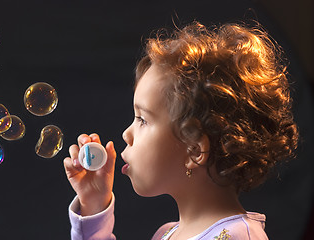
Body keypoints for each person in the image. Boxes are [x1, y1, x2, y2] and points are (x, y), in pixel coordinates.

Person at [63, 20, 298, 240]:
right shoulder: (167, 233)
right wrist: (94, 205)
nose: (127, 134)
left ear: (194, 149)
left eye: (142, 119)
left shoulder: (238, 236)